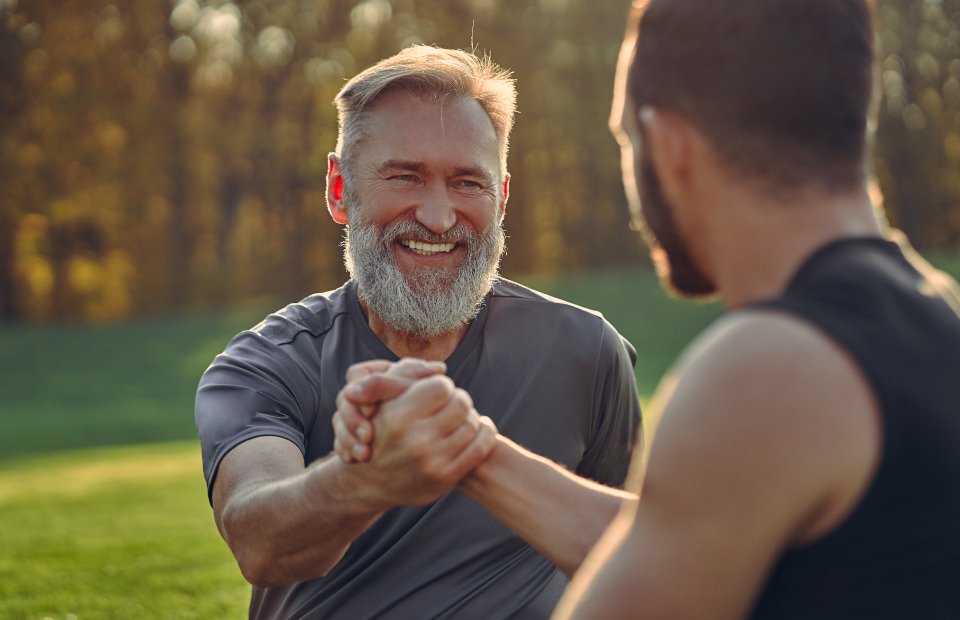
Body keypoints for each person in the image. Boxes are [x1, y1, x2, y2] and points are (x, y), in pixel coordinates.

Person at [194, 45, 641, 619]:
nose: (438, 216)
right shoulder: (268, 363)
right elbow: (257, 540)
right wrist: (365, 480)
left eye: (468, 183)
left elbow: (642, 555)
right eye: (405, 177)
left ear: (503, 197)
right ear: (339, 189)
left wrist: (461, 447)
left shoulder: (586, 350)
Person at [546, 0, 960, 618]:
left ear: (669, 145)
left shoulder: (765, 371)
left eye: (627, 139)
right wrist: (477, 453)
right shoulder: (937, 313)